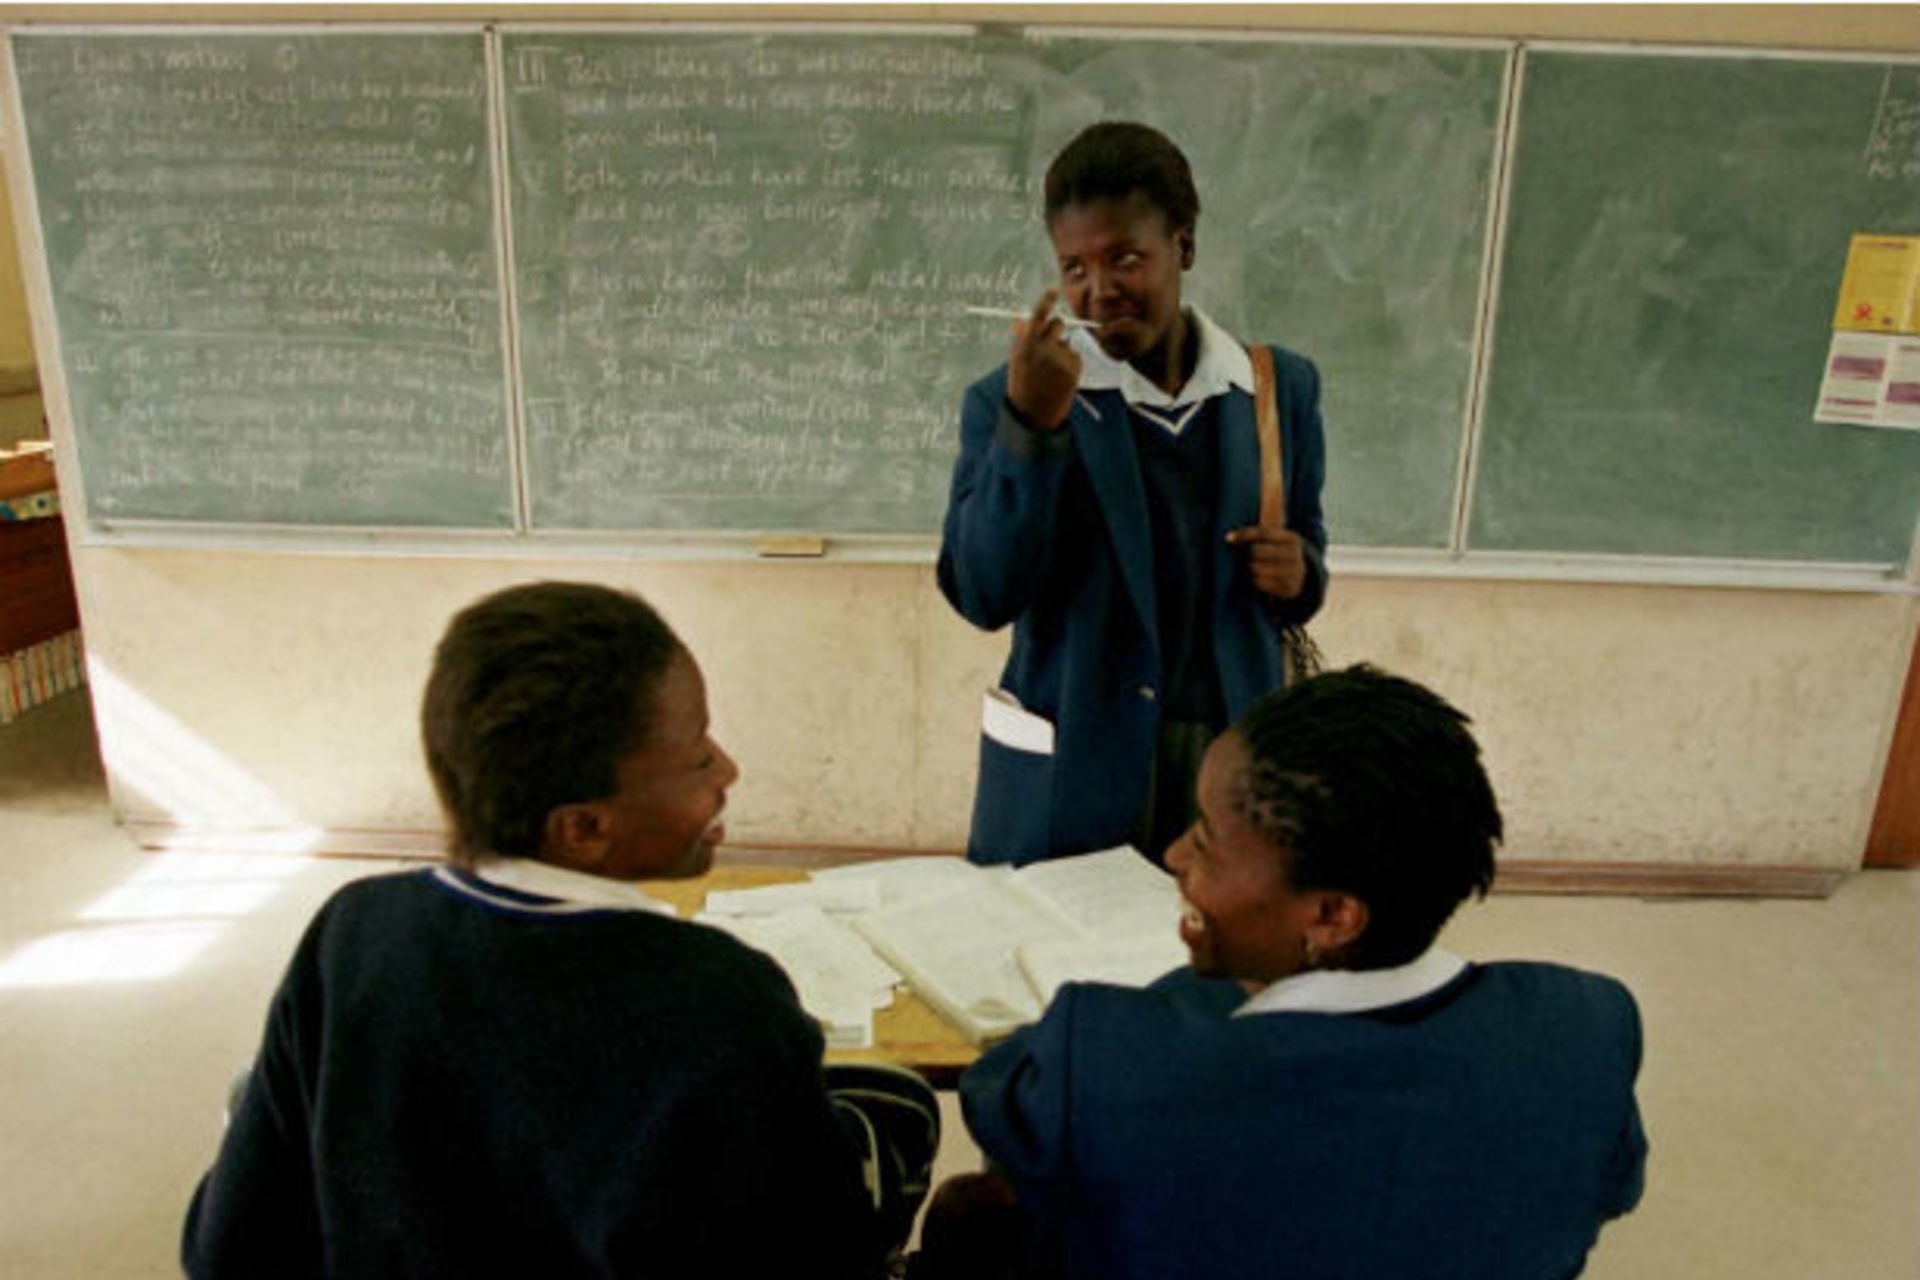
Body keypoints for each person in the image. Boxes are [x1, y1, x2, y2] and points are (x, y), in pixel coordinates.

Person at [181, 581, 934, 1280]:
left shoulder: (353, 933)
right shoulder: (725, 1000)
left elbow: (225, 1248)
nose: (727, 770)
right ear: (582, 829)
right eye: (699, 753)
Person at [932, 665, 1647, 1280]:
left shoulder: (1103, 1060)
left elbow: (999, 1103)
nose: (1176, 856)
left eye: (1208, 844)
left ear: (1332, 915)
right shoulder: (1587, 1029)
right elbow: (1610, 1187)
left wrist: (1189, 997)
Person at [938, 120, 1329, 869]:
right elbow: (983, 594)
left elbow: (1306, 555)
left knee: (1215, 969)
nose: (1099, 291)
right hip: (1074, 768)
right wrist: (1031, 427)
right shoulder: (1013, 398)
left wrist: (1301, 571)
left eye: (1125, 259)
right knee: (1062, 969)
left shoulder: (1275, 391)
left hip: (1230, 762)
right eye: (1074, 268)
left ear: (1182, 246)